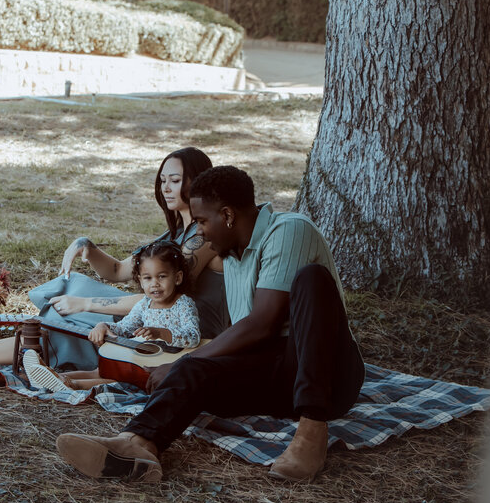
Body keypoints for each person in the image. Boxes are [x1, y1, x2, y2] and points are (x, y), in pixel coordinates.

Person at [54, 166, 366, 483]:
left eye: (202, 221)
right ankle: (137, 445)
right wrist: (186, 367)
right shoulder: (231, 254)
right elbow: (247, 338)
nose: (199, 232)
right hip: (279, 377)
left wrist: (186, 360)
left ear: (227, 215)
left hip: (329, 380)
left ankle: (311, 433)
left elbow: (262, 325)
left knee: (310, 280)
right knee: (193, 369)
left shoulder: (289, 231)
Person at [0, 147, 227, 370]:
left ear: (198, 182)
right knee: (73, 286)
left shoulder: (203, 239)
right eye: (162, 180)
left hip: (180, 329)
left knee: (75, 323)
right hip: (152, 315)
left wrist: (87, 305)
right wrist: (86, 246)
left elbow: (159, 297)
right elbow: (117, 270)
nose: (165, 188)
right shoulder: (174, 233)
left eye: (174, 180)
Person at [25, 240, 200, 392]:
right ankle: (49, 375)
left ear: (177, 278)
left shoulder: (183, 304)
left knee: (120, 380)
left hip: (166, 368)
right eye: (147, 278)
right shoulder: (144, 304)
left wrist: (161, 333)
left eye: (162, 276)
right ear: (140, 280)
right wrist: (104, 327)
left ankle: (72, 384)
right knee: (100, 370)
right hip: (138, 362)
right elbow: (125, 328)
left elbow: (193, 337)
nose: (155, 284)